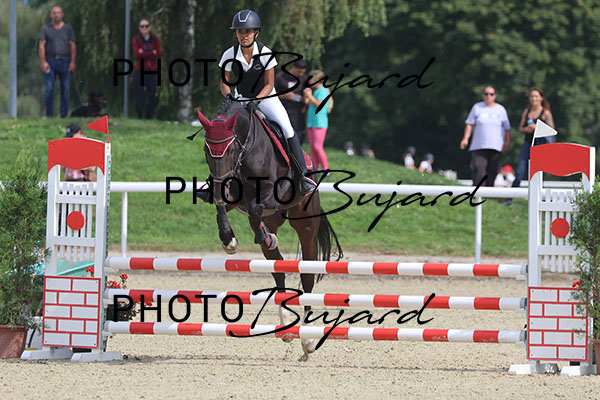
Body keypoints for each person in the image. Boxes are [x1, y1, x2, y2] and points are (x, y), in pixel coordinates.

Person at [218, 10, 315, 195]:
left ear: (256, 33)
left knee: (286, 128)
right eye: (240, 31)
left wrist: (257, 101)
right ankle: (213, 182)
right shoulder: (229, 54)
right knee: (222, 129)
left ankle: (303, 176)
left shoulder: (265, 53)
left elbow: (269, 84)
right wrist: (229, 96)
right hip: (240, 97)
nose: (244, 35)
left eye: (248, 31)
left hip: (266, 97)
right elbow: (224, 82)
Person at [460, 85, 511, 187]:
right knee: (479, 169)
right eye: (486, 94)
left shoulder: (501, 109)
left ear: (495, 95)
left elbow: (506, 128)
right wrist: (465, 138)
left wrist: (507, 141)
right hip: (479, 145)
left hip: (495, 145)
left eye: (491, 94)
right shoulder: (477, 107)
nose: (488, 96)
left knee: (492, 171)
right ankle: (478, 192)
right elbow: (470, 124)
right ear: (483, 95)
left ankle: (488, 192)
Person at [511, 87, 555, 188]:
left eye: (536, 96)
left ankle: (538, 192)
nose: (534, 99)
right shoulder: (526, 112)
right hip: (528, 143)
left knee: (538, 171)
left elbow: (552, 130)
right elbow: (520, 128)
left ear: (541, 98)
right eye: (532, 96)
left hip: (541, 145)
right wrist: (526, 129)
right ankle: (512, 192)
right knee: (520, 170)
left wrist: (537, 127)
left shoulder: (546, 113)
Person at [39, 5, 76, 118]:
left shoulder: (68, 29)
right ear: (51, 15)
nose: (56, 15)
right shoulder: (46, 29)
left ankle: (64, 114)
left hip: (64, 61)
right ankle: (49, 114)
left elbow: (72, 46)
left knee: (65, 88)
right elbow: (41, 46)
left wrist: (72, 62)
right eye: (54, 13)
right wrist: (43, 62)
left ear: (62, 14)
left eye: (58, 12)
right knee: (49, 88)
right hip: (50, 61)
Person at [133, 18, 162, 119]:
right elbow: (138, 55)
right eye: (142, 26)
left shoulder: (155, 39)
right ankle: (140, 116)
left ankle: (148, 116)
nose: (144, 28)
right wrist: (151, 53)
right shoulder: (136, 40)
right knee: (139, 94)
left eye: (146, 26)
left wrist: (143, 52)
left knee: (152, 95)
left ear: (150, 27)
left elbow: (158, 54)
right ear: (139, 28)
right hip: (139, 70)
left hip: (152, 70)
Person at [303, 70, 331, 172]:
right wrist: (308, 98)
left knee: (317, 147)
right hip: (311, 122)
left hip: (320, 123)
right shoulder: (315, 91)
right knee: (312, 148)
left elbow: (319, 104)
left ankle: (325, 169)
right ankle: (315, 169)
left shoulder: (323, 91)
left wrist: (310, 96)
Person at [275, 59, 308, 144]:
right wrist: (284, 96)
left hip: (298, 113)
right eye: (299, 72)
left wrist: (304, 102)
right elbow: (271, 94)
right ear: (293, 67)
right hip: (282, 111)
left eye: (303, 72)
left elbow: (308, 96)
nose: (301, 74)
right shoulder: (280, 77)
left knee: (298, 136)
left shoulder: (304, 79)